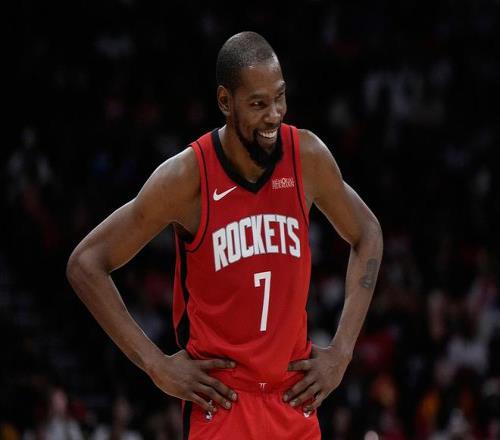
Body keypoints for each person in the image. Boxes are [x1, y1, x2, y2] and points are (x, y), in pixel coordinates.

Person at [67, 31, 383, 439]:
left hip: (293, 401)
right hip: (223, 405)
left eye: (280, 97)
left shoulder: (307, 157)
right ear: (225, 102)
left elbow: (367, 232)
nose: (274, 115)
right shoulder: (187, 178)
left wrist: (341, 352)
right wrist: (155, 364)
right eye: (258, 104)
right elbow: (86, 263)